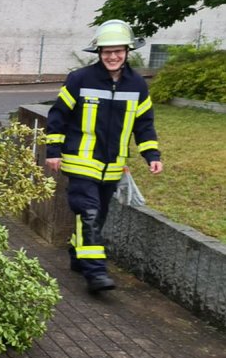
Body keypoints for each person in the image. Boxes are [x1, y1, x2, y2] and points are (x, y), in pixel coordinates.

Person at [44, 19, 163, 293]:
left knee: (97, 219)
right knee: (88, 211)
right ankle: (96, 272)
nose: (112, 56)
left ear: (127, 51)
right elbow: (58, 115)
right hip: (80, 162)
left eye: (118, 51)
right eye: (107, 51)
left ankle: (78, 253)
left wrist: (152, 155)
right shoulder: (80, 79)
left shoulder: (137, 85)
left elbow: (144, 124)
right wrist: (53, 151)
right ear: (98, 53)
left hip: (112, 168)